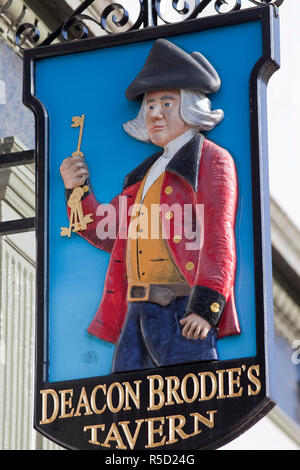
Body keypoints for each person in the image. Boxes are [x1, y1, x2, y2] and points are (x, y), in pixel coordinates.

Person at [60, 39, 240, 373]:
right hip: (135, 312)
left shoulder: (212, 160)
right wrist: (77, 190)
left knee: (193, 406)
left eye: (166, 103)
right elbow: (105, 230)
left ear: (190, 106)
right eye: (150, 104)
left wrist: (205, 307)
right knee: (125, 413)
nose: (154, 113)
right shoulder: (143, 176)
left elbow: (218, 237)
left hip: (183, 312)